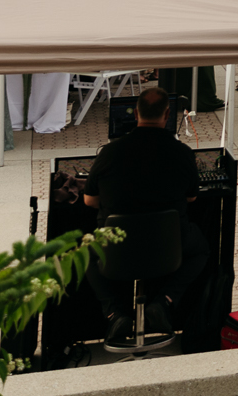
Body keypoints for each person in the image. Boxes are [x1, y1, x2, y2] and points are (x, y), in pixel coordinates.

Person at [82, 86, 209, 344]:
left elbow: (89, 200)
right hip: (168, 246)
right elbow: (192, 198)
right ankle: (164, 301)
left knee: (81, 253)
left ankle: (115, 312)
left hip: (116, 247)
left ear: (136, 113)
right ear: (166, 115)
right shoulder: (182, 153)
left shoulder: (110, 153)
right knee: (202, 249)